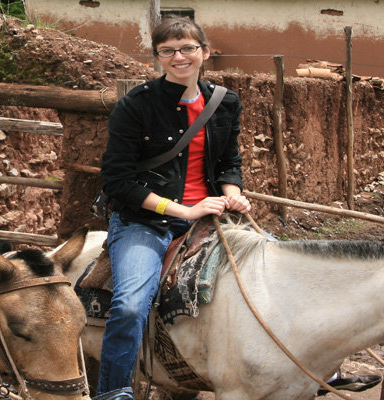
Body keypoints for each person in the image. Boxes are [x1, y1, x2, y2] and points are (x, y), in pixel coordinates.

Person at [96, 16, 250, 400]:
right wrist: (184, 211)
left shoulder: (225, 102)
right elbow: (118, 182)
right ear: (158, 58)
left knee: (280, 273)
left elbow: (229, 161)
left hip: (211, 219)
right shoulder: (135, 106)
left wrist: (232, 193)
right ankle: (113, 392)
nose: (179, 57)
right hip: (144, 221)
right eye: (168, 51)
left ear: (205, 53)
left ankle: (314, 371)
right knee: (131, 306)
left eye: (187, 48)